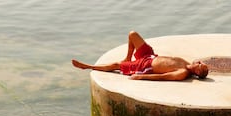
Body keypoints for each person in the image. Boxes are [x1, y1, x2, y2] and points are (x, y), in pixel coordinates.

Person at [71, 31, 209, 81]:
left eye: (200, 66)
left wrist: (141, 76)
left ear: (197, 71)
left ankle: (87, 66)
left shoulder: (182, 73)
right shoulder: (186, 62)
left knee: (117, 66)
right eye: (200, 63)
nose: (198, 63)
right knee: (133, 34)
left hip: (145, 66)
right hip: (150, 55)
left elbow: (161, 77)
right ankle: (128, 57)